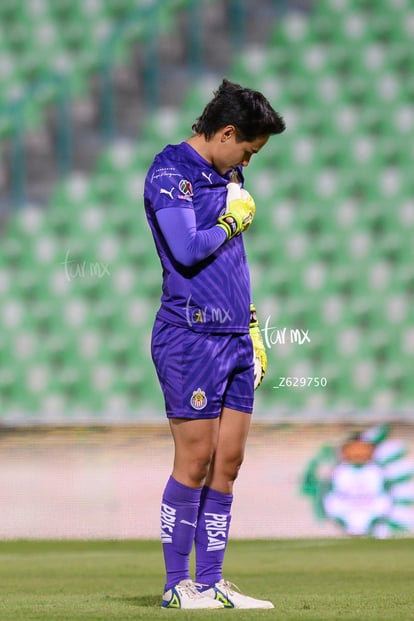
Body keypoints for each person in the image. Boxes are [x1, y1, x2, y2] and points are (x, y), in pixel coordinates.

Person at [144, 78, 285, 609]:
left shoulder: (228, 171)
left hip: (233, 336)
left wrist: (251, 325)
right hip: (190, 335)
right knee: (195, 461)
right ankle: (177, 584)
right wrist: (231, 219)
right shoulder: (170, 173)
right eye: (247, 149)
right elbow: (186, 250)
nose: (247, 161)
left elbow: (230, 264)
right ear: (226, 133)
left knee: (228, 462)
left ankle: (210, 581)